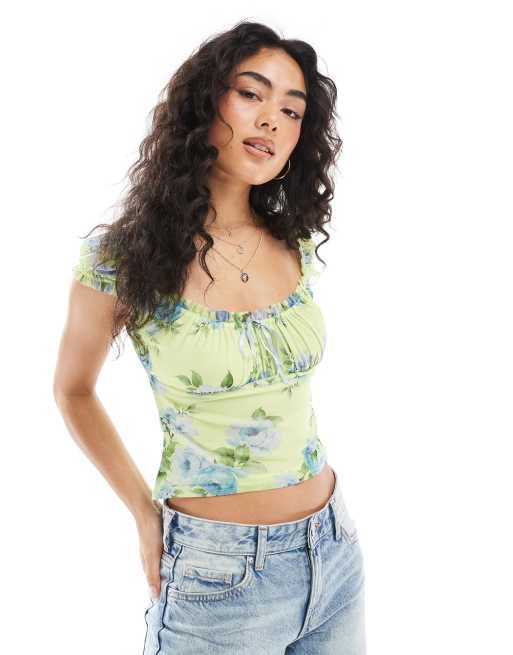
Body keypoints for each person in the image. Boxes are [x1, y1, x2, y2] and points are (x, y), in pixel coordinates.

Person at [54, 20, 366, 654]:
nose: (272, 119)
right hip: (217, 577)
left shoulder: (294, 241)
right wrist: (143, 511)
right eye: (251, 93)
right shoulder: (120, 259)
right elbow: (73, 390)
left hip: (333, 554)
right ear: (205, 102)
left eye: (292, 110)